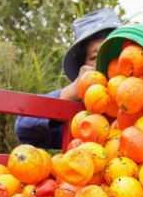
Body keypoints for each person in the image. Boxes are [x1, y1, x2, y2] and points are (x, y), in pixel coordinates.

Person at [15, 9, 122, 149]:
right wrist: (70, 92)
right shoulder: (78, 114)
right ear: (82, 67)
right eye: (94, 57)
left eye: (112, 54)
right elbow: (24, 128)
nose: (104, 63)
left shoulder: (142, 101)